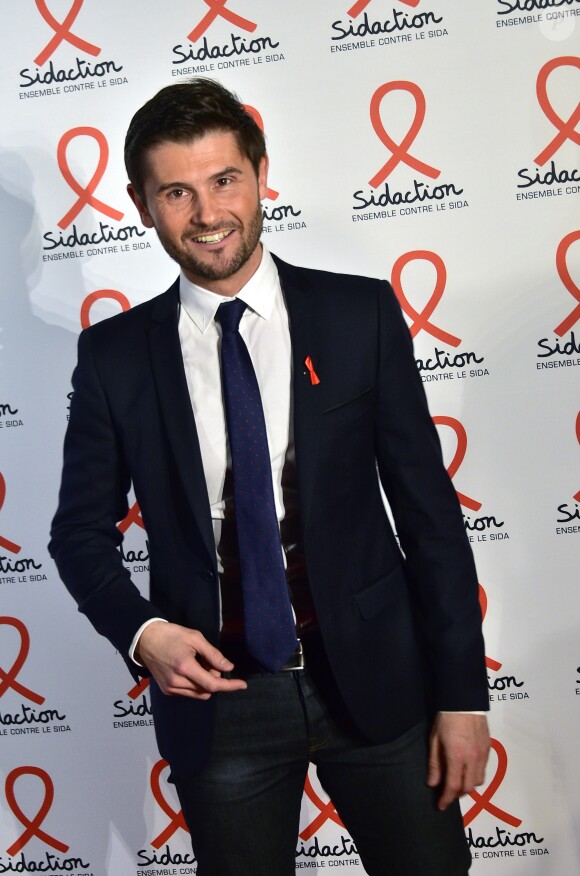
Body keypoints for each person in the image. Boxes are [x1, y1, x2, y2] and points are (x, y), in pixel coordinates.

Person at [50, 78, 490, 876]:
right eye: (176, 192)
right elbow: (78, 534)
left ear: (260, 173)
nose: (208, 213)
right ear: (140, 204)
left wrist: (462, 696)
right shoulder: (114, 356)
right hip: (220, 704)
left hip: (380, 684)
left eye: (225, 180)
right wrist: (144, 634)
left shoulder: (359, 316)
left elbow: (430, 517)